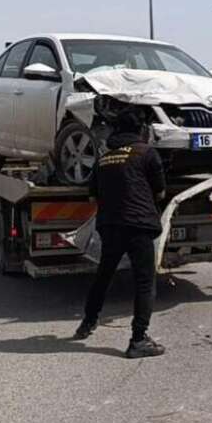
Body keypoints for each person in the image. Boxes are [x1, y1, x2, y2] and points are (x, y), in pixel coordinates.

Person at [74, 108, 168, 359]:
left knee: (104, 275)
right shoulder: (147, 153)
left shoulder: (104, 158)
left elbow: (93, 195)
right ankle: (138, 339)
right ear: (141, 130)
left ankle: (87, 322)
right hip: (139, 225)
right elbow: (160, 192)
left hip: (110, 226)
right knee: (145, 282)